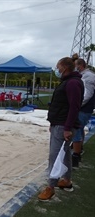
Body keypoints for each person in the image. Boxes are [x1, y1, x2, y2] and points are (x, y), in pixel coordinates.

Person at [38, 57, 84, 201]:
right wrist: (52, 123)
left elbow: (74, 107)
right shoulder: (68, 82)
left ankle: (50, 188)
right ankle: (66, 180)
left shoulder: (72, 83)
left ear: (65, 67)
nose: (57, 70)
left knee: (55, 156)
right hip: (59, 124)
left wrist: (67, 127)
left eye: (58, 67)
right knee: (65, 155)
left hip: (63, 126)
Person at [71, 58, 95, 167]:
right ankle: (79, 148)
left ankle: (76, 155)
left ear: (80, 66)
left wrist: (76, 106)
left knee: (76, 129)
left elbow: (87, 95)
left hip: (84, 108)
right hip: (84, 108)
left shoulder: (88, 76)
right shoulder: (85, 76)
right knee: (79, 128)